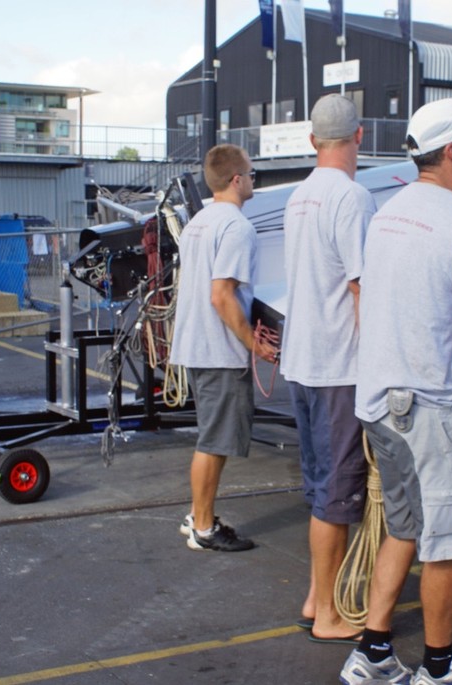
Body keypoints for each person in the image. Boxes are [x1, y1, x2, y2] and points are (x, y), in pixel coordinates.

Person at [339, 99, 452, 685]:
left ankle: (372, 654)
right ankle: (439, 669)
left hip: (379, 401)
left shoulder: (388, 216)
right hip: (430, 410)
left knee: (404, 525)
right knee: (447, 542)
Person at [280, 94, 377, 643]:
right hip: (341, 363)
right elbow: (362, 286)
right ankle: (332, 614)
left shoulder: (299, 198)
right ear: (358, 137)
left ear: (313, 141)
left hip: (303, 360)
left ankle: (318, 596)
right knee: (338, 494)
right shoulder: (353, 198)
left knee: (321, 486)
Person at [169, 143, 277, 552]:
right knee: (215, 441)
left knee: (212, 437)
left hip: (197, 344)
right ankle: (203, 527)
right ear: (236, 180)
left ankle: (200, 514)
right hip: (219, 350)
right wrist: (254, 344)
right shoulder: (236, 227)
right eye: (251, 174)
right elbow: (222, 296)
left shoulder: (199, 221)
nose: (253, 180)